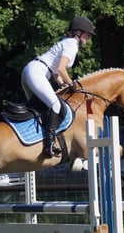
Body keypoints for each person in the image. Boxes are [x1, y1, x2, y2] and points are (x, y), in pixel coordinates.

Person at [22, 16, 95, 157]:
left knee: (38, 108)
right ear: (78, 32)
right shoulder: (72, 44)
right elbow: (61, 69)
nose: (88, 37)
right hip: (37, 72)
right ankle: (49, 145)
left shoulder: (66, 42)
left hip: (30, 71)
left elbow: (56, 72)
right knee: (56, 106)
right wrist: (71, 84)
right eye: (87, 34)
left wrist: (62, 84)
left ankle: (32, 139)